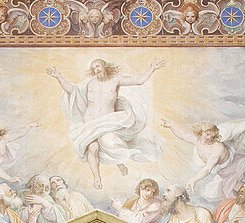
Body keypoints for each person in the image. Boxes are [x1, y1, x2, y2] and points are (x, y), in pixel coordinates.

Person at [46, 57, 165, 189]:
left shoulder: (115, 80)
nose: (96, 69)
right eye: (93, 67)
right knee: (93, 148)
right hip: (90, 122)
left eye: (97, 66)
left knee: (111, 143)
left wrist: (152, 67)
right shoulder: (89, 83)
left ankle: (119, 162)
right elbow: (72, 90)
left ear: (104, 66)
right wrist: (59, 77)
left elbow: (139, 81)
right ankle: (97, 178)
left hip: (108, 121)